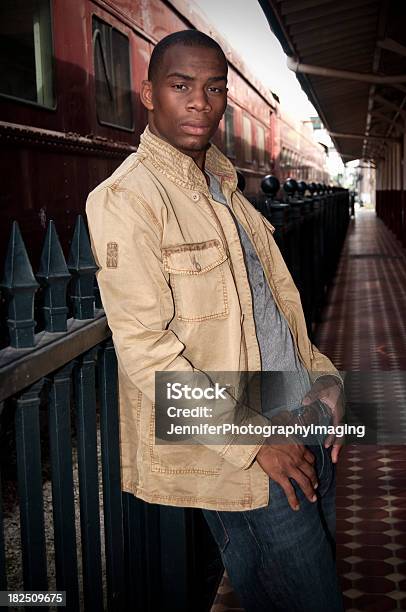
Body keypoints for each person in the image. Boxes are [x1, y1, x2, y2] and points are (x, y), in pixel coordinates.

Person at [86, 29, 344, 612]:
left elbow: (272, 306)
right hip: (250, 456)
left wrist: (323, 380)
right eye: (181, 86)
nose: (200, 101)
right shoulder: (127, 199)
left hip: (301, 418)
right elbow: (148, 354)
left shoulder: (225, 187)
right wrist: (258, 446)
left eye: (213, 88)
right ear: (148, 93)